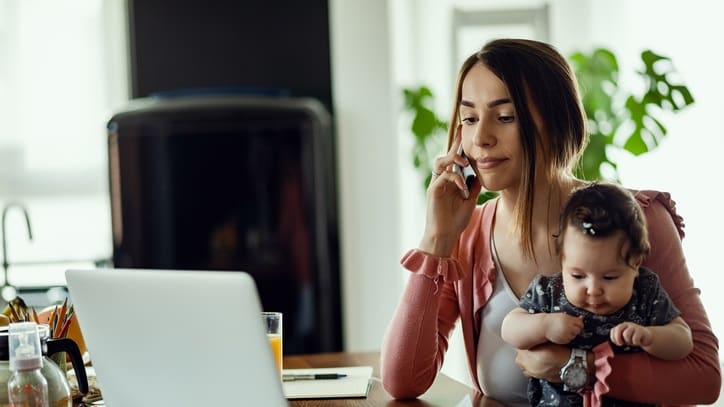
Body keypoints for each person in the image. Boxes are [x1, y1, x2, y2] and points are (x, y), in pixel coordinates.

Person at [380, 38, 721, 406]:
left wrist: (578, 366)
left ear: (557, 121)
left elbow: (703, 378)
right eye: (469, 118)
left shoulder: (636, 218)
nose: (481, 138)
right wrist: (437, 236)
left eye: (505, 116)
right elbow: (402, 382)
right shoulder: (468, 237)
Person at [501, 182, 693, 406]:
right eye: (577, 276)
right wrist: (544, 325)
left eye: (610, 277)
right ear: (562, 260)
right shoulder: (550, 291)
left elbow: (683, 341)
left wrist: (651, 337)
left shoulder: (645, 292)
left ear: (636, 264)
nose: (593, 289)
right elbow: (509, 328)